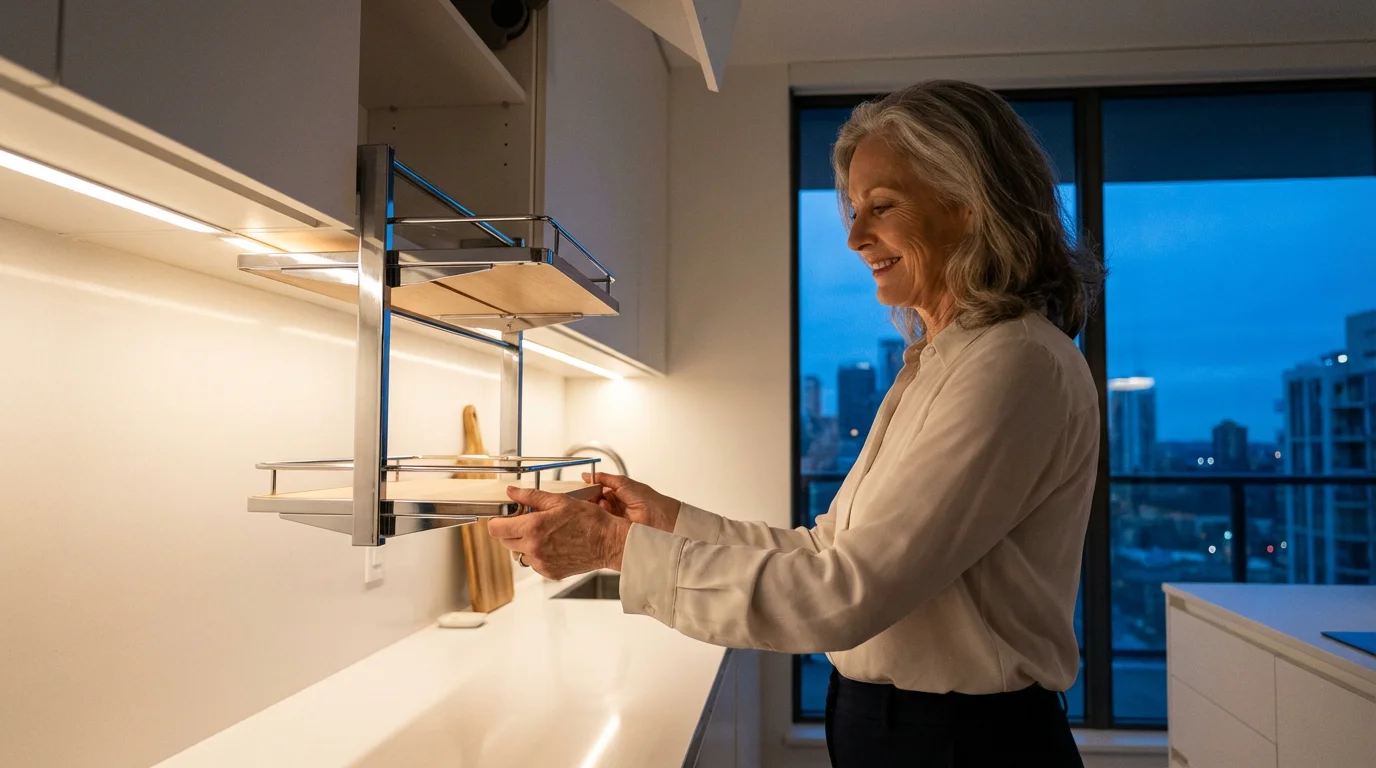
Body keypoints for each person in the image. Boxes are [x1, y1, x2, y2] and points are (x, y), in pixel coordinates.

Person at [487, 80, 1102, 767]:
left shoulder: (1010, 365)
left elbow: (844, 595)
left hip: (961, 745)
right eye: (854, 208)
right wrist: (663, 522)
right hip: (925, 734)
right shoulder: (947, 363)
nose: (854, 236)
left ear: (967, 204)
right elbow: (826, 553)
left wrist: (615, 551)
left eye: (882, 207)